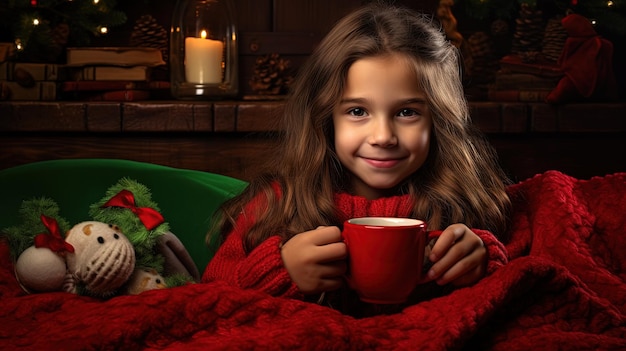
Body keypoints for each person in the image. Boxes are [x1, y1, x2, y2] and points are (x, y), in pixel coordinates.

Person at [202, 2, 511, 316]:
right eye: (357, 111)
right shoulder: (279, 203)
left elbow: (518, 291)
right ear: (326, 117)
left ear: (438, 121)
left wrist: (483, 262)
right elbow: (209, 301)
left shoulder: (463, 203)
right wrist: (278, 273)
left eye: (407, 112)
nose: (382, 136)